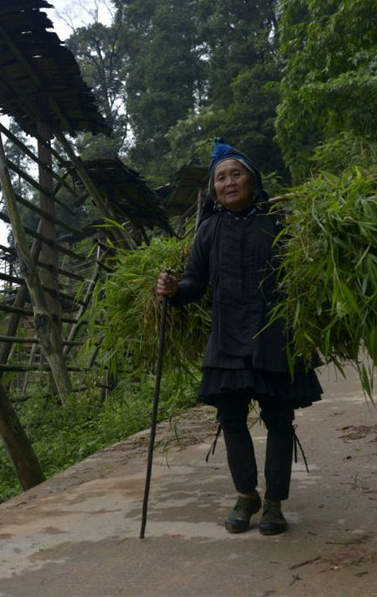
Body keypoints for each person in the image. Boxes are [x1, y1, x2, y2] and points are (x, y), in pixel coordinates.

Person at [155, 140, 322, 535]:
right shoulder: (209, 229)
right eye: (220, 178)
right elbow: (196, 281)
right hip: (227, 337)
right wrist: (175, 288)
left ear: (253, 180)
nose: (229, 183)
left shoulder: (280, 222)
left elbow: (306, 273)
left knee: (279, 419)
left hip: (274, 336)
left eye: (236, 174)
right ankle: (246, 495)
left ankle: (275, 504)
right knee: (231, 418)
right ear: (214, 190)